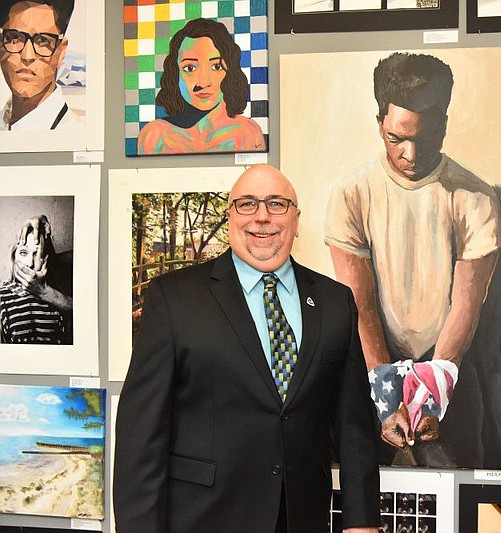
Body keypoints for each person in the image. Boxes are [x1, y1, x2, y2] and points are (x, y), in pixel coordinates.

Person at [114, 164, 379, 533]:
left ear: (297, 219)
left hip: (302, 518)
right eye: (247, 204)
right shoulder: (174, 299)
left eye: (277, 203)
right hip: (202, 518)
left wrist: (362, 520)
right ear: (229, 216)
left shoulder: (335, 302)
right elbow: (140, 434)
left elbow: (354, 424)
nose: (262, 217)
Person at [324, 52, 501, 467]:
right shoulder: (351, 194)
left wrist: (436, 386)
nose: (409, 153)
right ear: (379, 125)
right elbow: (361, 305)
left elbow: (467, 303)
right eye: (396, 138)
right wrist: (387, 393)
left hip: (450, 364)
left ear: (443, 124)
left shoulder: (474, 197)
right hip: (370, 362)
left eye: (424, 139)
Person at [137, 17, 264, 155]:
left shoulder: (247, 132)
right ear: (175, 74)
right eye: (190, 68)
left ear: (231, 71)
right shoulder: (154, 136)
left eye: (216, 66)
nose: (203, 83)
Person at [0, 0, 81, 130]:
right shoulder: (4, 120)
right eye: (14, 37)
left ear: (61, 52)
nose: (27, 56)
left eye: (43, 41)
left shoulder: (74, 133)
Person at [0, 214, 72, 344]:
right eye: (23, 252)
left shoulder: (58, 294)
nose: (29, 263)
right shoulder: (2, 298)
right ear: (13, 257)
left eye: (37, 254)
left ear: (45, 260)